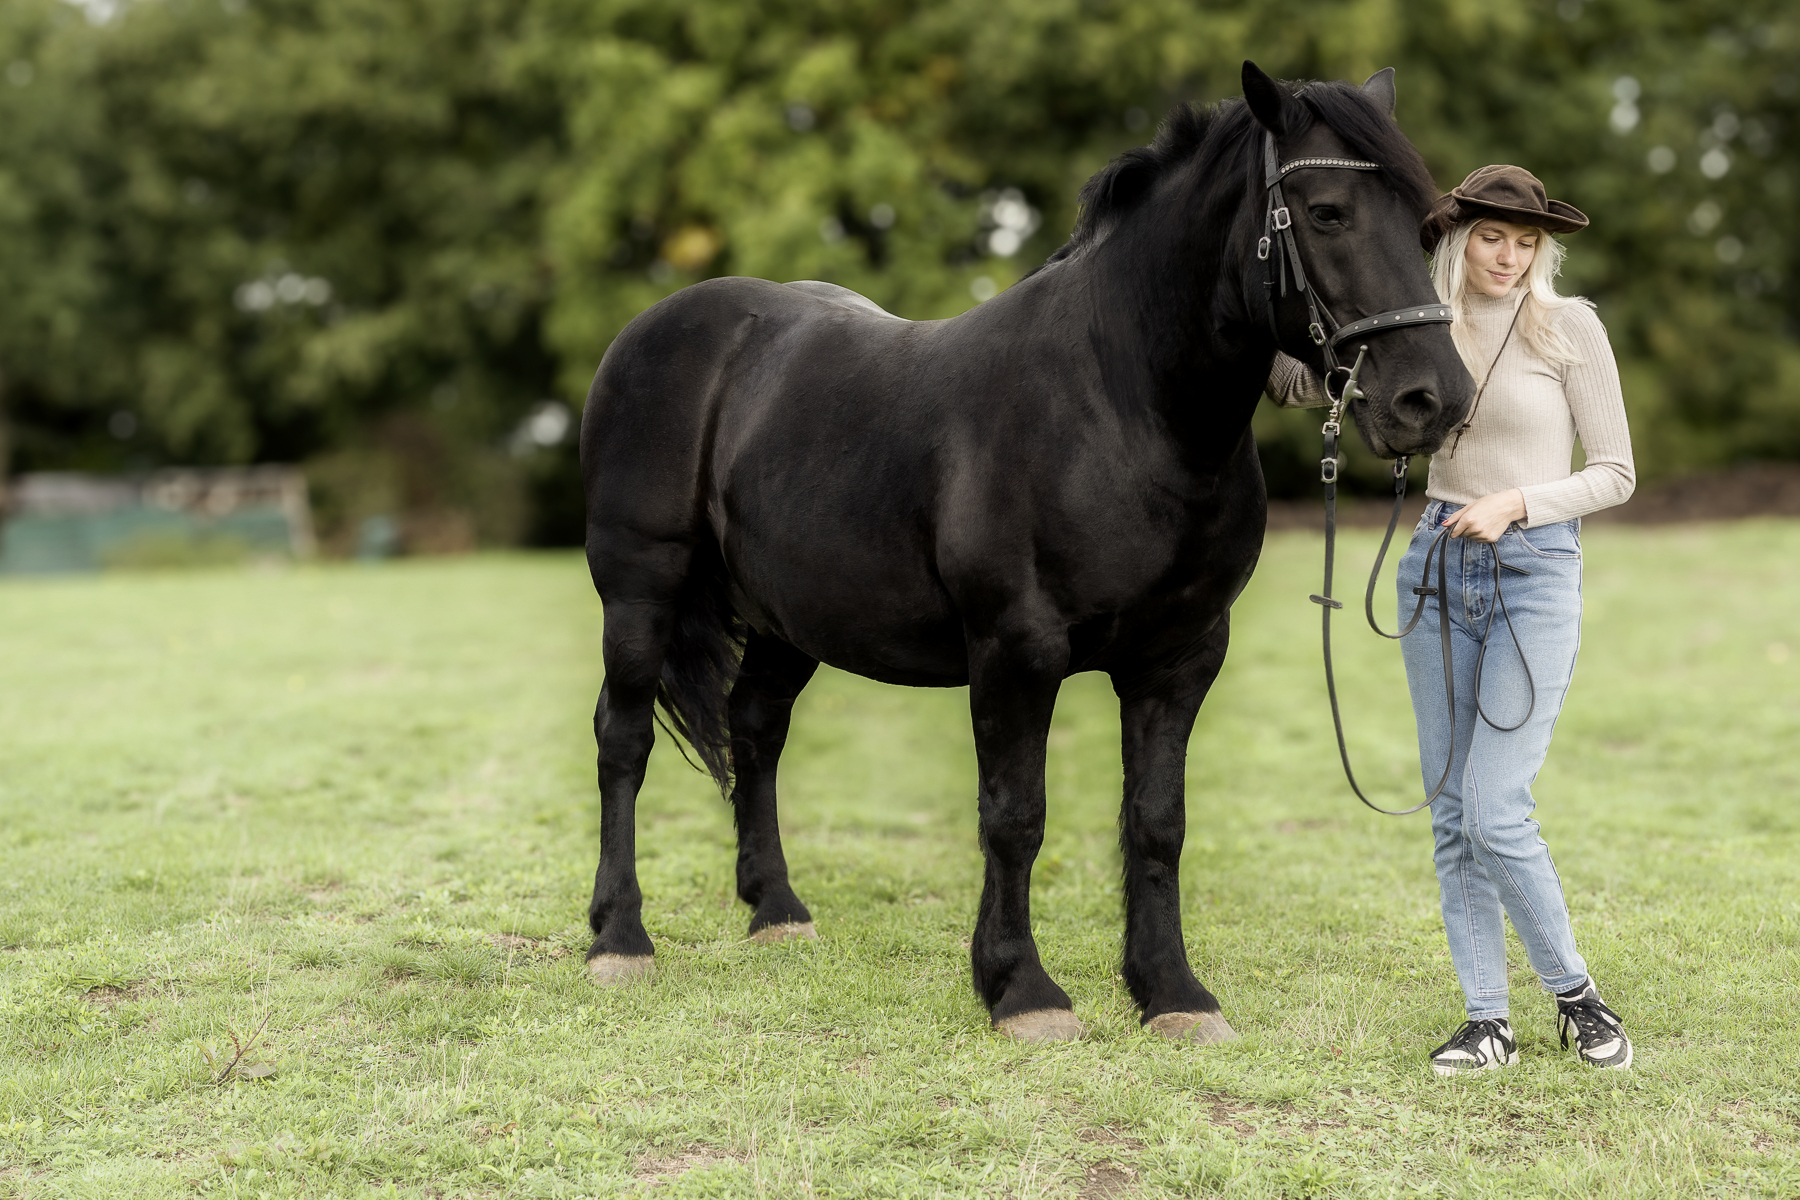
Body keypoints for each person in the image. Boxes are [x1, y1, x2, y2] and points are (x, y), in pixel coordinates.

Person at [1268, 165, 1636, 1075]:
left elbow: (1617, 473)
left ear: (1540, 248)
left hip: (1533, 574)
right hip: (1433, 568)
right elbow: (1291, 382)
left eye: (1523, 241)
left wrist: (1517, 502)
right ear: (1456, 239)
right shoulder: (1411, 325)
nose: (1507, 257)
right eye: (1489, 237)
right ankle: (1486, 1022)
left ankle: (1577, 999)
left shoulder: (1569, 327)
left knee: (1493, 803)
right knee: (1449, 813)